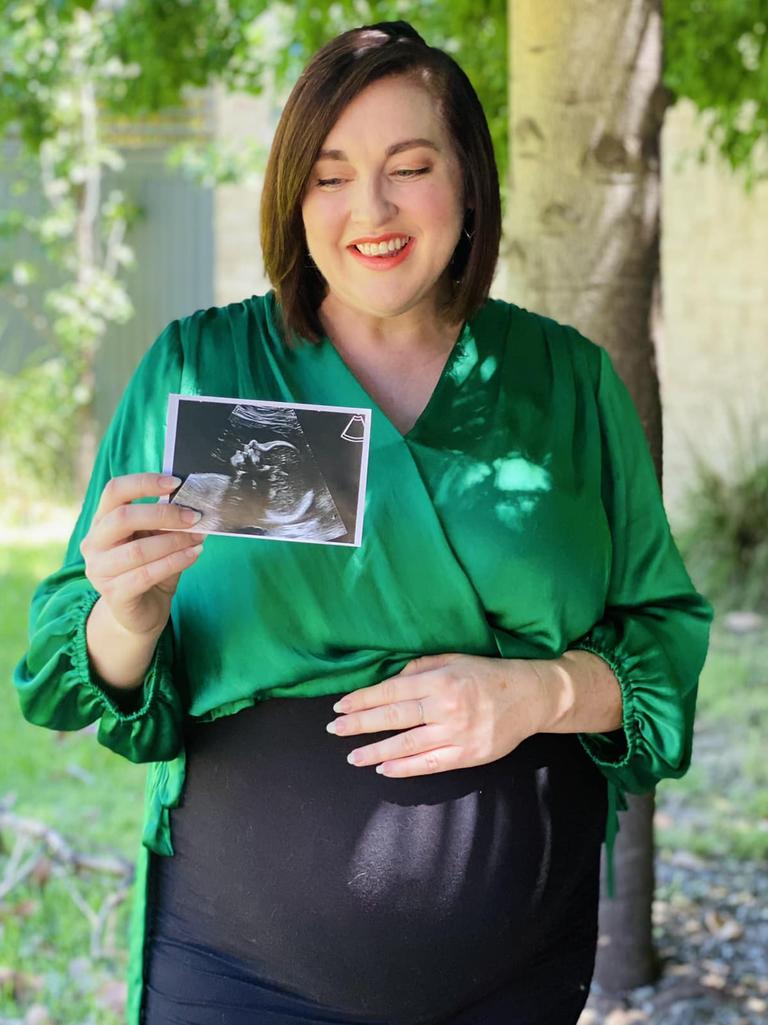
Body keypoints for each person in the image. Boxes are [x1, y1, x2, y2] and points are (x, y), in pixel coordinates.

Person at [13, 20, 712, 1025]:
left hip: (519, 976)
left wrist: (544, 690)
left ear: (468, 180)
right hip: (236, 974)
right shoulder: (199, 367)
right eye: (329, 175)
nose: (369, 209)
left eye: (409, 166)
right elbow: (68, 668)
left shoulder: (568, 381)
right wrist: (127, 614)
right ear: (292, 197)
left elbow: (665, 641)